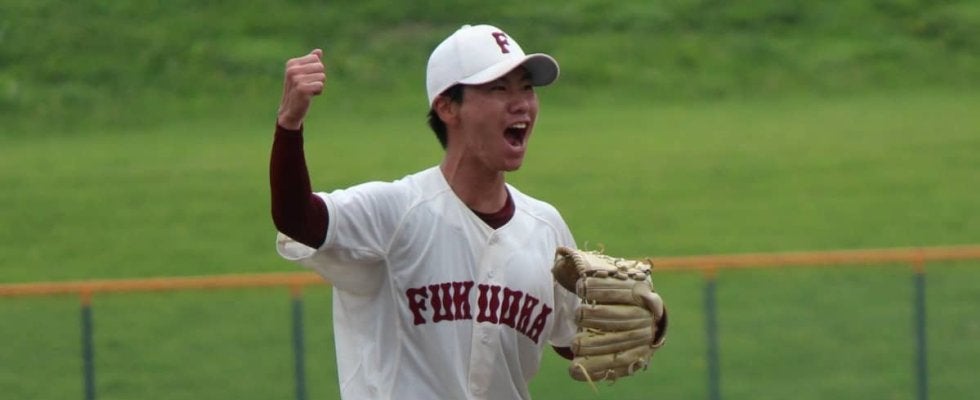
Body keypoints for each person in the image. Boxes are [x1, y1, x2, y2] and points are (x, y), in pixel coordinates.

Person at [270, 24, 579, 400]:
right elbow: (298, 220)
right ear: (447, 107)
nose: (521, 104)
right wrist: (289, 124)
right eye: (499, 89)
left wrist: (640, 319)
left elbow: (574, 341)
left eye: (527, 88)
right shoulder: (397, 211)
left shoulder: (546, 227)